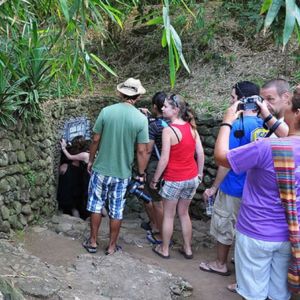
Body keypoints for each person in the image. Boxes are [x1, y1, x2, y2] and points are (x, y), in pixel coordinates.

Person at [213, 87, 300, 300]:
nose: (283, 109)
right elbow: (288, 135)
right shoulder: (280, 146)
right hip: (289, 234)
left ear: (297, 113)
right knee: (279, 294)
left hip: (255, 232)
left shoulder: (267, 148)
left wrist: (227, 121)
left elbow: (222, 157)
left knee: (253, 294)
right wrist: (267, 115)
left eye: (288, 105)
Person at [199, 81, 268, 276]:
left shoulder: (237, 126)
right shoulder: (267, 125)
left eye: (232, 98)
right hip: (254, 189)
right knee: (245, 228)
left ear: (241, 101)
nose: (230, 101)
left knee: (225, 224)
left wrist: (213, 188)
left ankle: (220, 263)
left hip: (233, 187)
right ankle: (241, 265)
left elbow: (226, 162)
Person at [83, 78, 149, 255]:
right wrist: (141, 174)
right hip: (122, 173)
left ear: (121, 93)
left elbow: (95, 139)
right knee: (116, 209)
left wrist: (90, 160)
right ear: (138, 96)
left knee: (96, 205)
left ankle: (93, 241)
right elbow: (142, 151)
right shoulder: (141, 120)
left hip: (101, 169)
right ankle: (112, 246)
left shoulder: (106, 112)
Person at [150, 94, 204, 259]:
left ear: (175, 110)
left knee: (168, 215)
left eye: (166, 106)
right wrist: (200, 174)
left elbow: (164, 158)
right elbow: (200, 153)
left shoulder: (169, 130)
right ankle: (187, 248)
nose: (162, 108)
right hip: (192, 178)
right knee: (184, 213)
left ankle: (164, 249)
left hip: (174, 178)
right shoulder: (191, 128)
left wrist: (155, 179)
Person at [142, 91, 168, 244]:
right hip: (170, 165)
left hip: (154, 166)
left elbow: (147, 150)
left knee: (153, 199)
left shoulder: (153, 126)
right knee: (164, 201)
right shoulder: (173, 122)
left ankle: (158, 229)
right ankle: (157, 225)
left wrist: (141, 171)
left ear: (154, 106)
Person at [57, 135, 90, 219]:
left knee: (72, 209)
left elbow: (70, 157)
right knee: (75, 209)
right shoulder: (84, 163)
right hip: (80, 193)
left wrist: (63, 147)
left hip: (68, 196)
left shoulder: (66, 166)